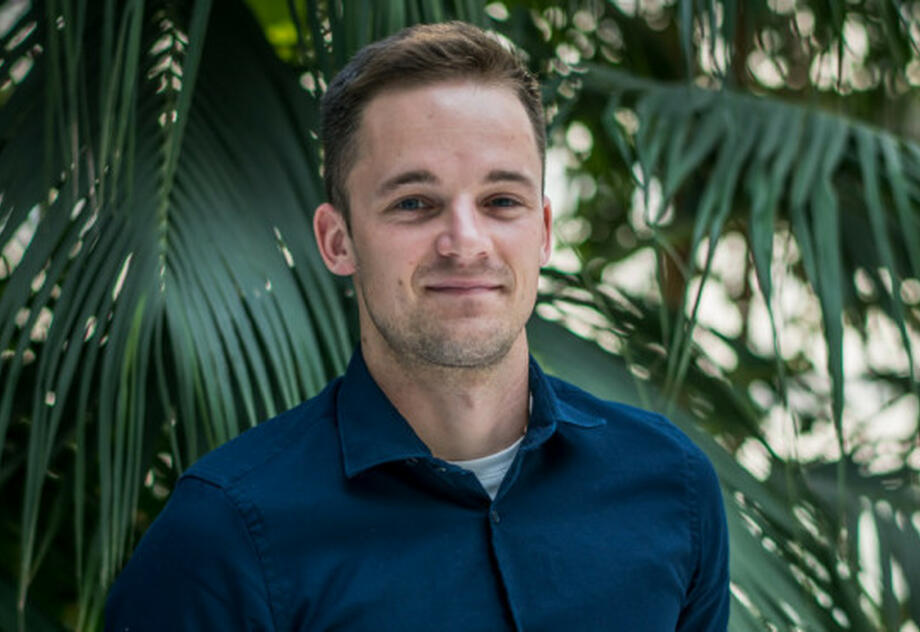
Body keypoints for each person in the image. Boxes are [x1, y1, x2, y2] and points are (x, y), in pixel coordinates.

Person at [105, 21, 729, 631]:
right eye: (413, 203)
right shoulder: (224, 538)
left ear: (542, 231)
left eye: (501, 201)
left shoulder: (670, 485)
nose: (466, 242)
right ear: (337, 240)